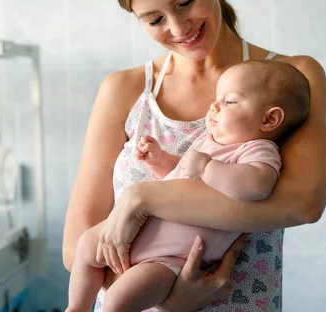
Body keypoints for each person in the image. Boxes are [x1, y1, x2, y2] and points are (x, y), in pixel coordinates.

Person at [62, 0, 326, 310]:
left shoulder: (291, 79)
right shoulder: (123, 91)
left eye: (186, 0)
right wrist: (172, 303)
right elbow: (77, 247)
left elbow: (301, 204)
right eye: (154, 19)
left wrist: (143, 198)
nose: (178, 27)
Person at [66, 60, 310, 312]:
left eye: (230, 102)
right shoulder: (208, 141)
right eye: (217, 98)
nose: (214, 106)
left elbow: (256, 186)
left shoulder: (257, 150)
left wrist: (207, 168)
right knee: (86, 243)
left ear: (269, 119)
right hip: (136, 236)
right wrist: (160, 160)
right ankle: (77, 307)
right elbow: (180, 175)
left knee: (119, 300)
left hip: (171, 260)